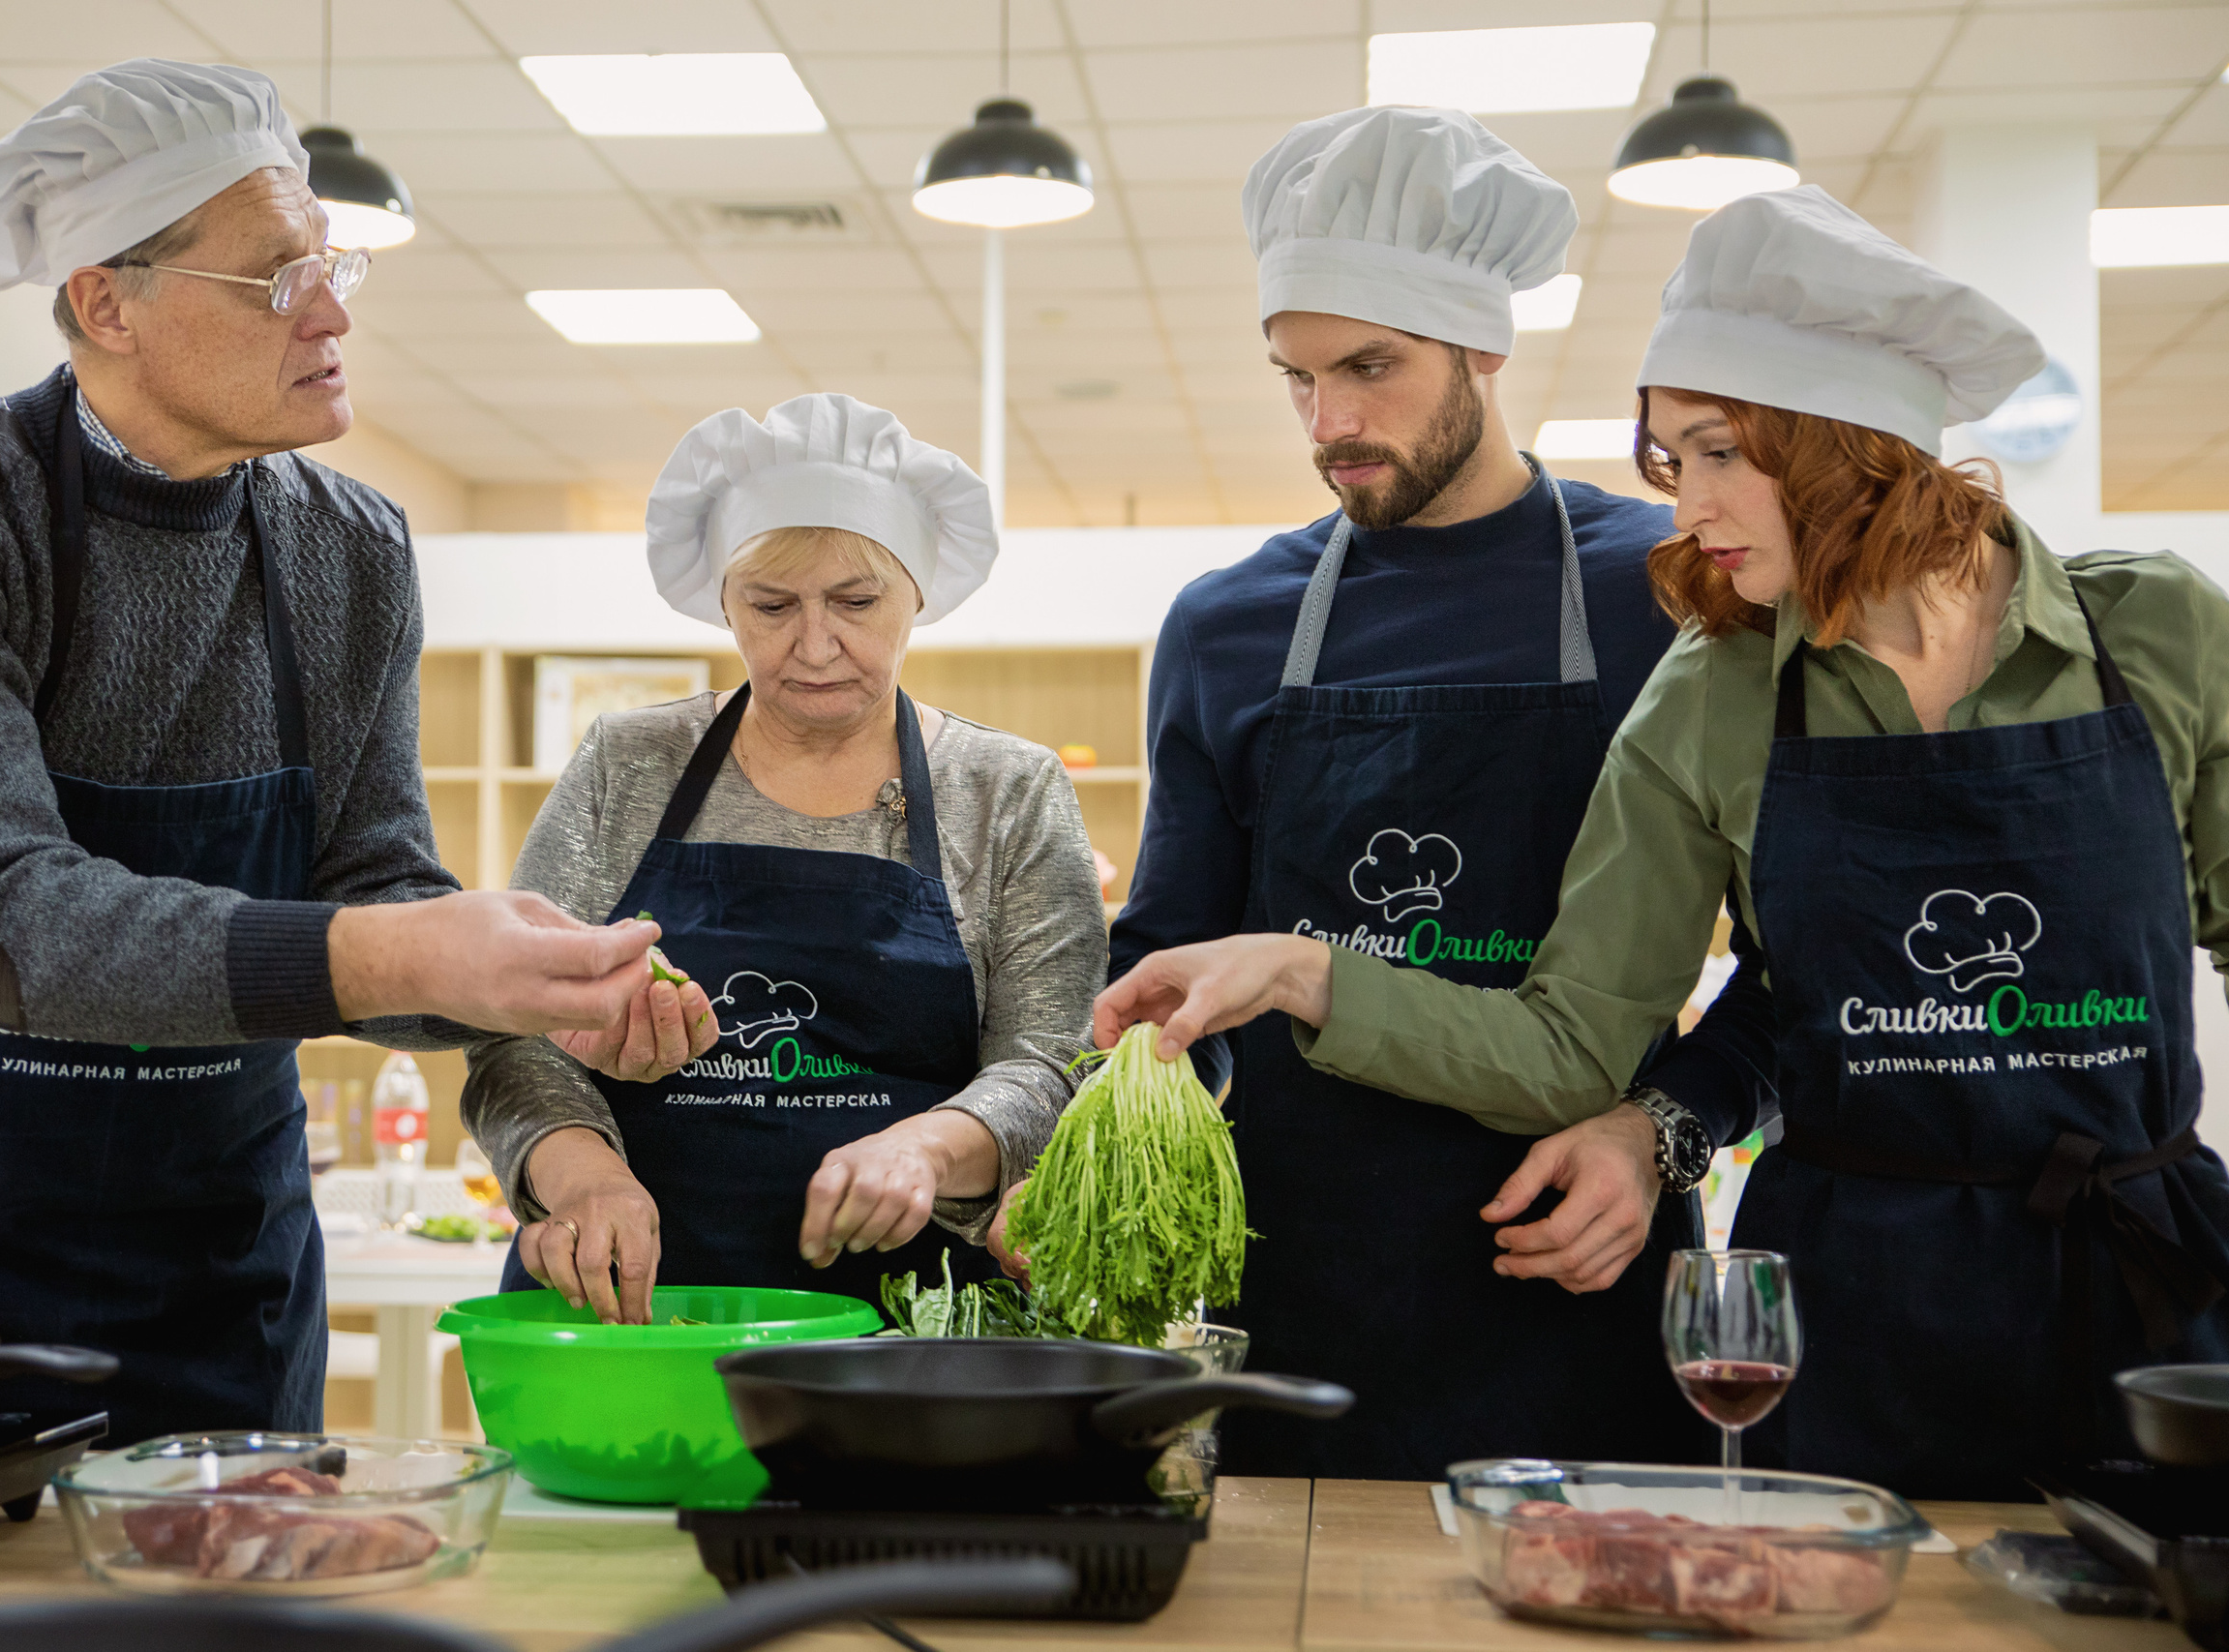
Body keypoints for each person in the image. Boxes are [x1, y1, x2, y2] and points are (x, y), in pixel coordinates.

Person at [1100, 184, 2229, 1502]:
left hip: (2141, 1287)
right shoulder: (1715, 686)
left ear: (1852, 442)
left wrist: (1661, 1129)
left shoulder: (2148, 631)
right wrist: (1293, 970)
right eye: (1669, 461)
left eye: (1721, 454)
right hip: (1839, 1301)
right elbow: (1569, 1038)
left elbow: (1781, 991)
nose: (1687, 509)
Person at [0, 61, 662, 1444]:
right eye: (275, 275)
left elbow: (376, 874)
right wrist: (404, 957)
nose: (334, 308)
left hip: (210, 1282)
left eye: (329, 259)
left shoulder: (349, 548)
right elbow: (8, 924)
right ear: (109, 301)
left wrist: (534, 982)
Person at [1058, 106, 1777, 1483]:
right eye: (1295, 377)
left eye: (1369, 367)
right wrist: (1113, 1113)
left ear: (1482, 345)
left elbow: (1795, 964)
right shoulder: (1230, 623)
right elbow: (1169, 953)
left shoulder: (1671, 598)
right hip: (1306, 1284)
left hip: (1581, 1279)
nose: (1331, 423)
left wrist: (1660, 1129)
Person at [463, 393, 1107, 1322]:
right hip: (635, 1304)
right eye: (771, 605)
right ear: (724, 600)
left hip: (904, 1318)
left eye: (855, 602)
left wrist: (929, 1148)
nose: (814, 645)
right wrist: (582, 1176)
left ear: (915, 596)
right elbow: (512, 1023)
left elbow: (1051, 1061)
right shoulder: (627, 764)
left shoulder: (1005, 788)